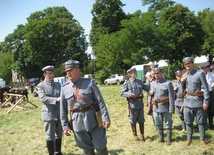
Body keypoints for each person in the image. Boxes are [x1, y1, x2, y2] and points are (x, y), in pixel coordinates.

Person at [60, 60, 110, 155]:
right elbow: (62, 109)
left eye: (71, 70)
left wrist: (105, 117)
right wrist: (65, 126)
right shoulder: (64, 88)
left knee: (100, 147)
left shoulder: (89, 83)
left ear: (78, 70)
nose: (68, 73)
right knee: (87, 150)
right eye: (67, 71)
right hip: (77, 123)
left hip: (94, 119)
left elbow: (100, 101)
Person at [182, 57, 209, 147]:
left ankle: (202, 139)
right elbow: (183, 89)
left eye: (189, 63)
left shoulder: (199, 74)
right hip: (187, 102)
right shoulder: (185, 75)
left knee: (201, 122)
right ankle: (189, 138)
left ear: (192, 63)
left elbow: (206, 88)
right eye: (185, 64)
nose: (187, 65)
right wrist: (182, 82)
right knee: (188, 121)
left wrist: (206, 101)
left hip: (197, 101)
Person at [37, 65, 63, 155]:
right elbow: (43, 98)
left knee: (59, 134)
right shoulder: (41, 86)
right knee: (50, 136)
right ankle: (51, 153)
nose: (52, 76)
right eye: (49, 74)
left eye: (52, 74)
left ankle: (58, 152)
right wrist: (56, 100)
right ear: (44, 75)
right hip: (49, 115)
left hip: (59, 114)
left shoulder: (58, 85)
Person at [120, 67, 149, 142]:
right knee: (133, 120)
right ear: (129, 74)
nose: (135, 74)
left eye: (135, 72)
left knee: (141, 120)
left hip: (140, 104)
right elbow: (122, 93)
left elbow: (147, 88)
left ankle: (142, 135)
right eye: (133, 73)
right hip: (132, 104)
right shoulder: (127, 82)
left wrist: (150, 80)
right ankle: (135, 134)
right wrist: (130, 94)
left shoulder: (140, 81)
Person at [150, 67, 174, 145]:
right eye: (155, 73)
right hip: (156, 107)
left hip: (165, 107)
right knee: (158, 123)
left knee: (168, 123)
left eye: (158, 73)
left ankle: (168, 139)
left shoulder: (168, 83)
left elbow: (171, 96)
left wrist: (171, 108)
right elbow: (151, 95)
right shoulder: (152, 83)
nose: (156, 75)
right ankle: (161, 138)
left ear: (162, 73)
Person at [200, 61, 214, 130]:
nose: (209, 68)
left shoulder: (211, 74)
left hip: (210, 93)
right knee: (203, 111)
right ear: (204, 68)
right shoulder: (199, 74)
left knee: (211, 110)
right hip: (202, 94)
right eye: (208, 67)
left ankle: (211, 125)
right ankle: (204, 125)